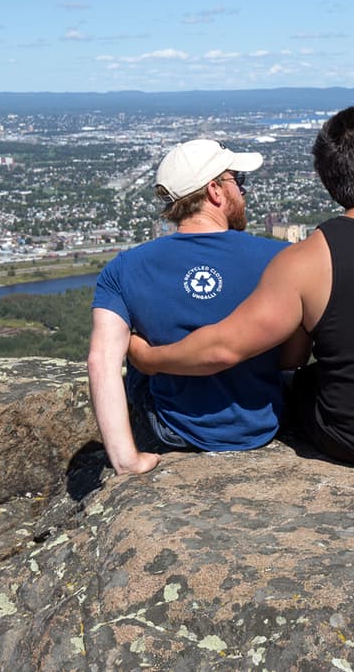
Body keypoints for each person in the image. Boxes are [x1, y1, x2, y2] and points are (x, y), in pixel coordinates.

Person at [129, 105, 354, 469]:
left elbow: (236, 350)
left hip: (351, 440)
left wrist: (149, 359)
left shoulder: (306, 260)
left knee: (304, 381)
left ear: (328, 181)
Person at [88, 138, 308, 475]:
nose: (244, 192)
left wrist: (126, 461)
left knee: (132, 352)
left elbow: (102, 361)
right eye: (239, 182)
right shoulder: (281, 260)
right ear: (216, 191)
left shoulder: (124, 268)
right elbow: (293, 358)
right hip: (263, 422)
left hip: (172, 430)